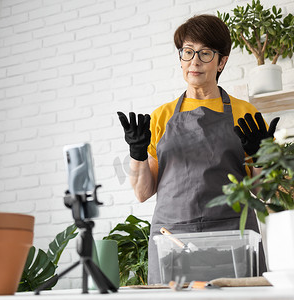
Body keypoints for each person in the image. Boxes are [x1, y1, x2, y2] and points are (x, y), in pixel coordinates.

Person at [117, 14, 279, 284]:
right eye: (188, 52)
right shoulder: (161, 116)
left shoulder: (245, 113)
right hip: (173, 240)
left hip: (233, 238)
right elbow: (143, 192)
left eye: (205, 53)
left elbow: (263, 191)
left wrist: (261, 156)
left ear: (221, 61)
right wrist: (137, 154)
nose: (194, 61)